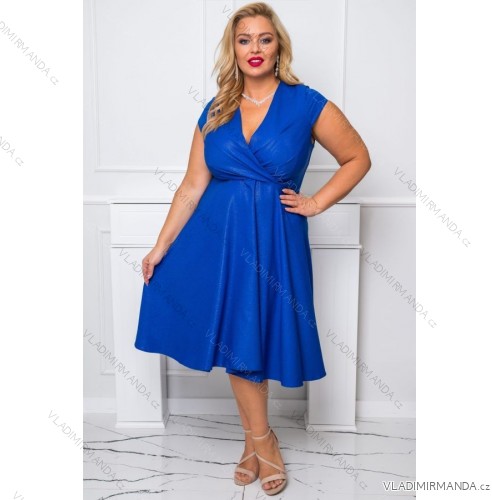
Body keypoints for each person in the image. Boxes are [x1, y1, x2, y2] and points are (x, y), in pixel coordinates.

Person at [135, 2, 371, 495]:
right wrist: (160, 246)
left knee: (257, 334)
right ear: (234, 49)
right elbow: (192, 186)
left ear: (278, 46)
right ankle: (261, 443)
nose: (255, 48)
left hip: (275, 238)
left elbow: (357, 157)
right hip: (217, 240)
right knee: (237, 338)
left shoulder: (307, 103)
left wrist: (315, 203)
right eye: (244, 40)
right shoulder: (215, 110)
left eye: (265, 38)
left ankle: (257, 443)